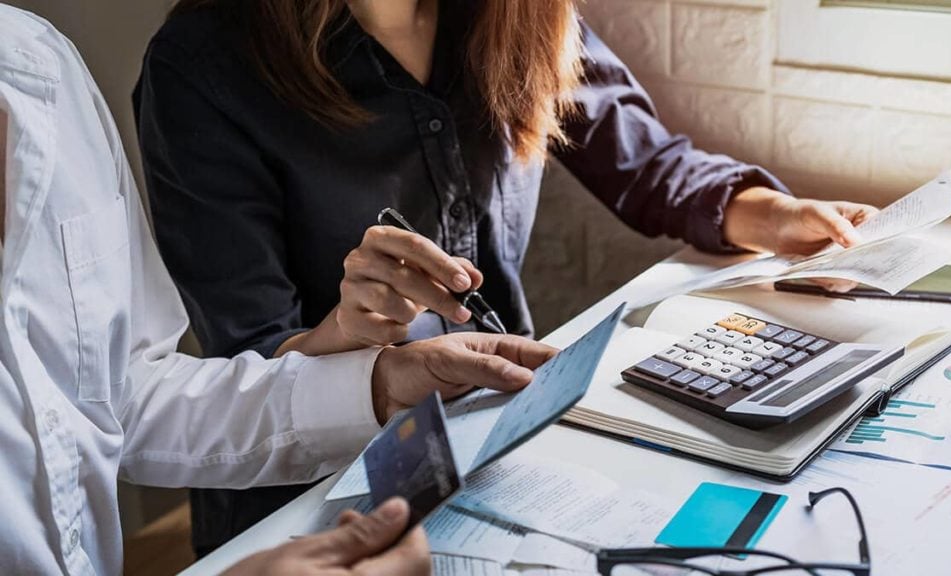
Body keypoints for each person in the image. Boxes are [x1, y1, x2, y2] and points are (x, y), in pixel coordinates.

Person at [134, 0, 877, 555]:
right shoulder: (204, 62)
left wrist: (768, 212)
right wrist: (346, 335)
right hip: (314, 507)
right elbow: (247, 367)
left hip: (501, 437)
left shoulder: (519, 13)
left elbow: (643, 159)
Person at [0, 5, 557, 574]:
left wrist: (380, 385)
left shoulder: (42, 64)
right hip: (300, 510)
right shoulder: (202, 61)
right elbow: (246, 339)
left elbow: (122, 394)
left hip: (481, 442)